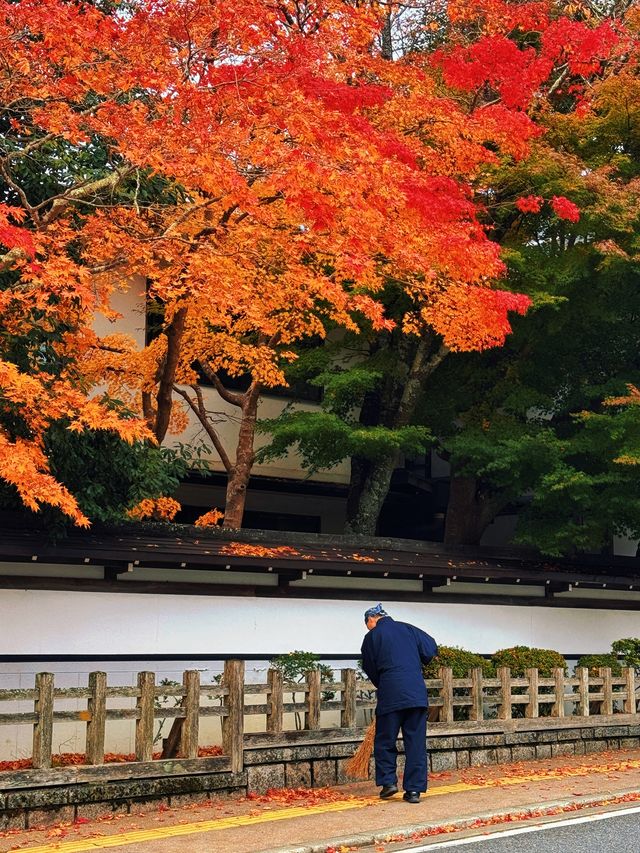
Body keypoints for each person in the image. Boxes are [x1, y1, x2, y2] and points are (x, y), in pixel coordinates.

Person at [361, 603, 437, 804]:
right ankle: (414, 791)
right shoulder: (409, 629)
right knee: (416, 743)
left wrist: (384, 683)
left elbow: (370, 667)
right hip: (416, 694)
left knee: (385, 740)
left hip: (391, 694)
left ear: (371, 620)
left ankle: (388, 783)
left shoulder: (372, 637)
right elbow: (430, 649)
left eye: (367, 624)